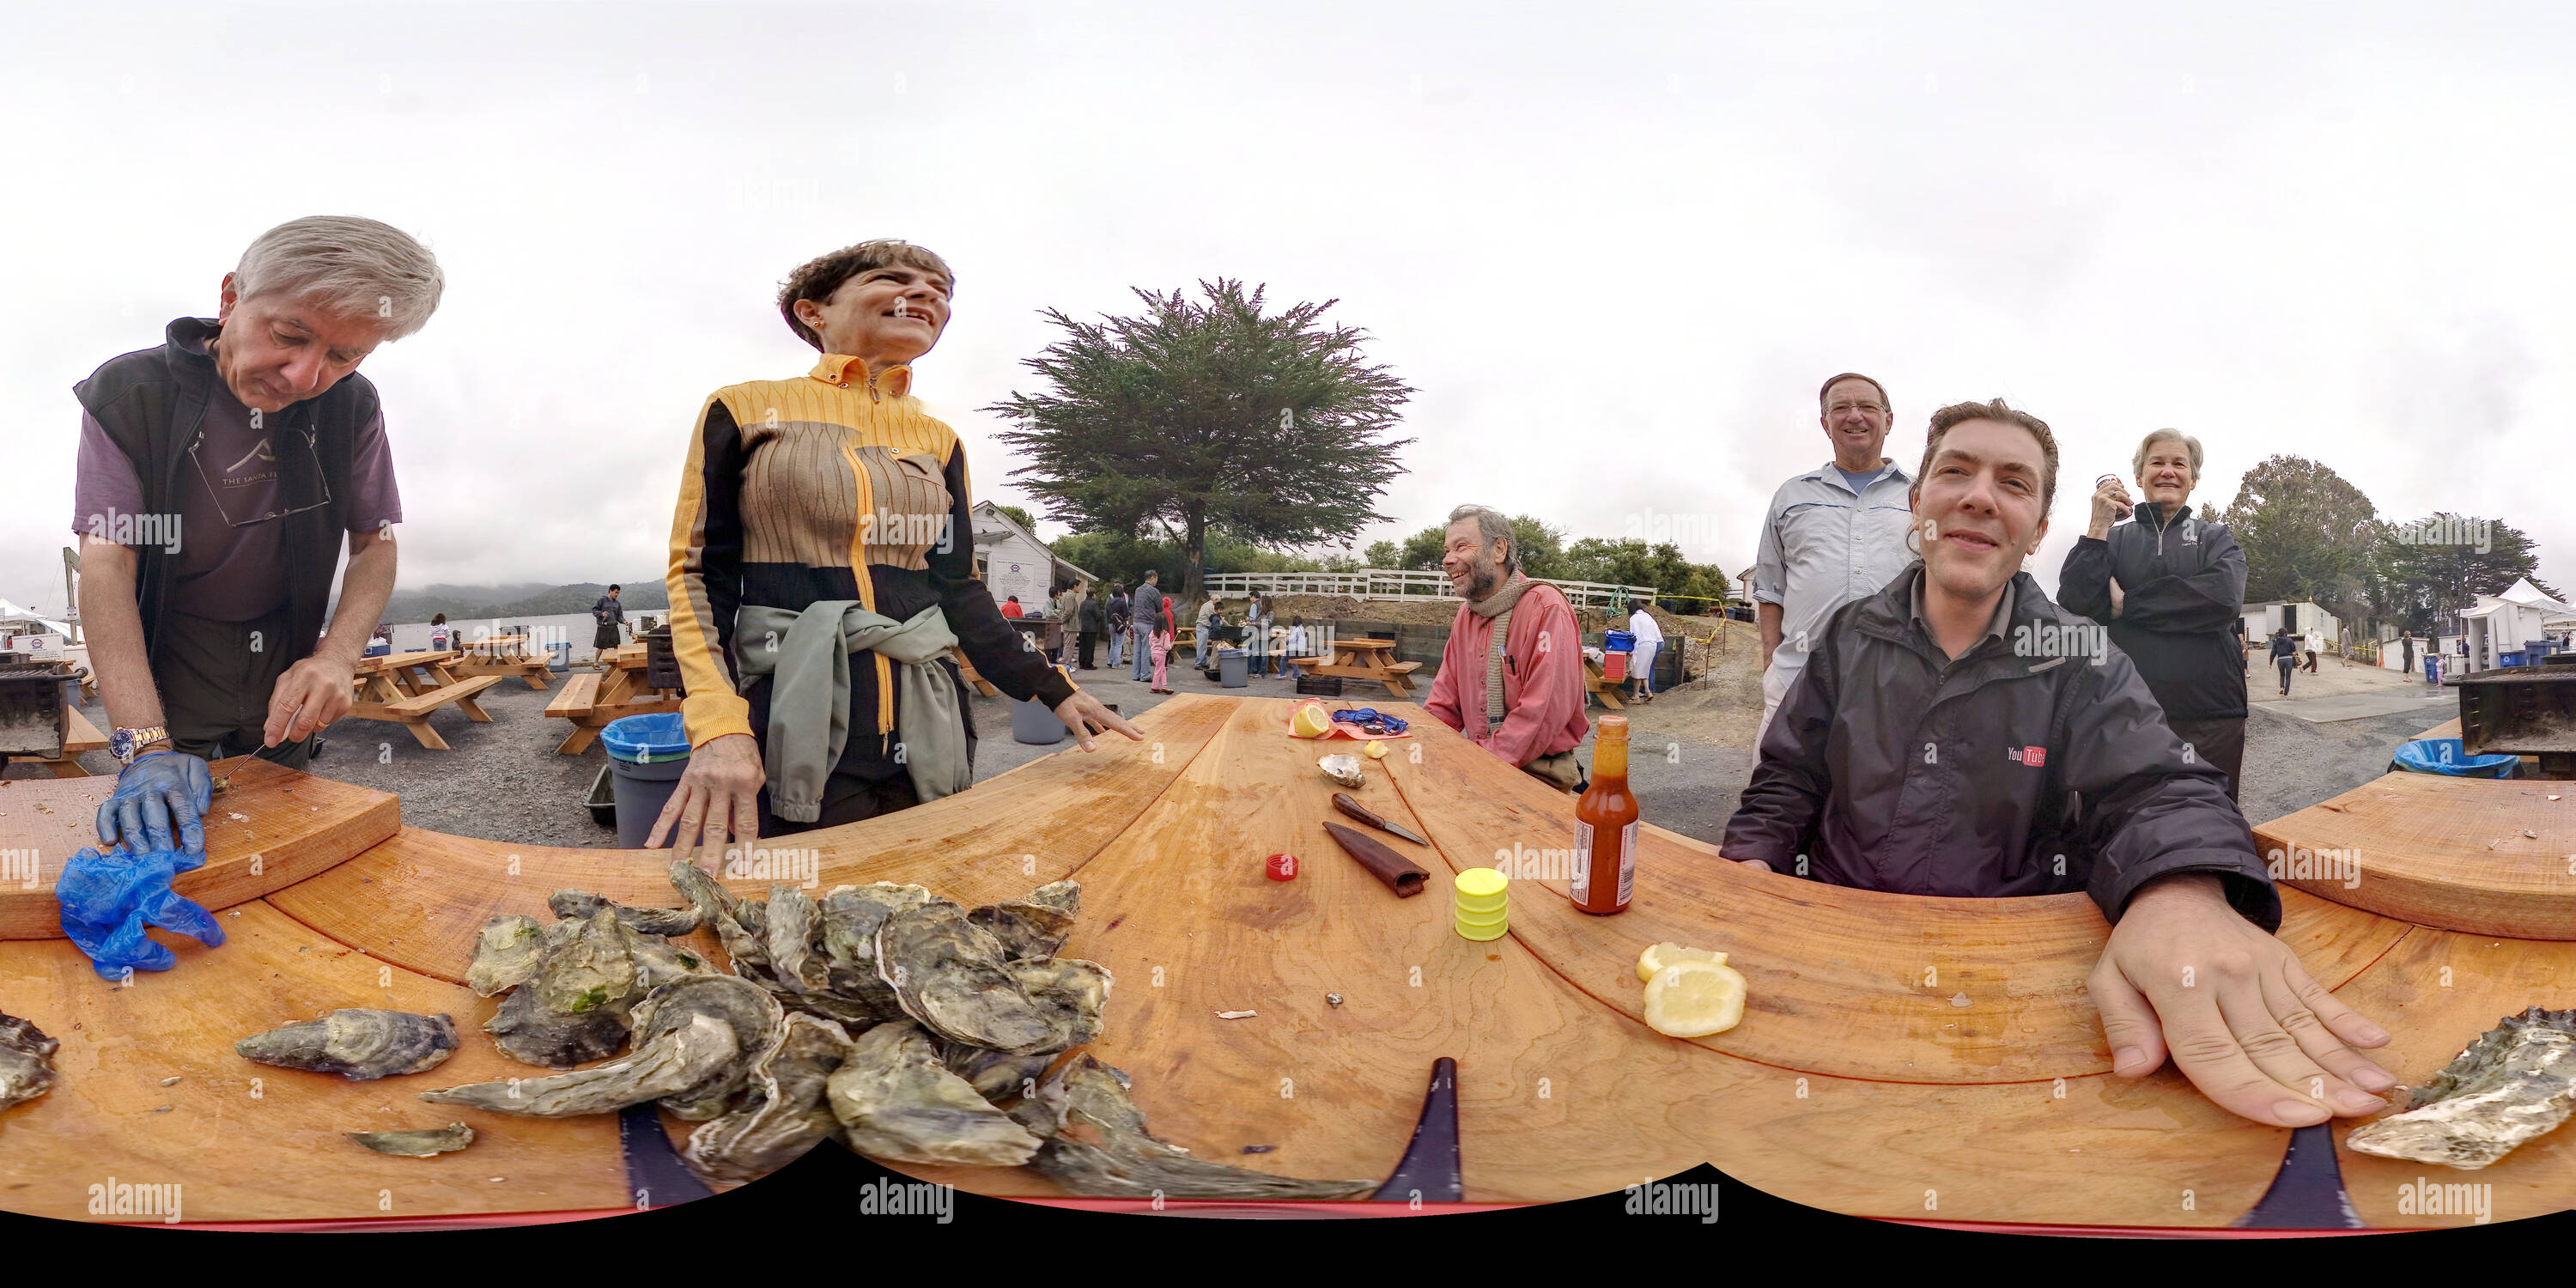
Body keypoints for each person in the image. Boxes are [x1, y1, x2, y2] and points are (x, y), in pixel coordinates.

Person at [1723, 397, 2398, 1131]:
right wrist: (1751, 866)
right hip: (1835, 956)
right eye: (1957, 472)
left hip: (2017, 984)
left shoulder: (2080, 654)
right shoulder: (1847, 636)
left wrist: (2180, 893)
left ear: (2039, 530)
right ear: (1917, 503)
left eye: (2014, 483)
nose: (1981, 496)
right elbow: (1787, 778)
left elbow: (2162, 783)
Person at [652, 239, 1139, 858]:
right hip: (792, 712)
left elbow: (958, 586)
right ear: (813, 311)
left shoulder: (938, 440)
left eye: (941, 292)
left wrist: (1054, 688)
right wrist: (719, 726)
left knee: (932, 881)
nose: (928, 297)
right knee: (803, 906)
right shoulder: (744, 408)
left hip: (927, 711)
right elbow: (697, 574)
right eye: (894, 278)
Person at [73, 216, 437, 861]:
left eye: (342, 355)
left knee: (280, 831)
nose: (302, 376)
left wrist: (337, 657)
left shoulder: (352, 405)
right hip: (168, 647)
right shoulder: (130, 394)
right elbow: (107, 565)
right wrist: (144, 743)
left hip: (285, 652)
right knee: (162, 833)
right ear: (230, 297)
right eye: (290, 335)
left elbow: (375, 543)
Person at [2057, 430, 2250, 801]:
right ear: (2139, 478)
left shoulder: (2215, 537)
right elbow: (2077, 608)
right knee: (2122, 824)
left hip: (2211, 716)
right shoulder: (2111, 541)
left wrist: (2126, 607)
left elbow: (2222, 599)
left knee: (2211, 822)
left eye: (2179, 464)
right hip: (2124, 712)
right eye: (2157, 462)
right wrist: (2098, 527)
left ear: (2193, 480)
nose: (2168, 471)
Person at [1751, 373, 1918, 750]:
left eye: (1867, 407)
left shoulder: (1921, 496)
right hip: (1796, 682)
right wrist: (1771, 666)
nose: (1853, 416)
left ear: (1888, 420)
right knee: (1776, 799)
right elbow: (1770, 588)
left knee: (1877, 803)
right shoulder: (1792, 495)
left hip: (1894, 688)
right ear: (1825, 423)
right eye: (1840, 408)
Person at [1423, 504, 1590, 790]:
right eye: (1446, 551)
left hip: (1539, 775)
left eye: (1460, 547)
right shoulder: (1466, 615)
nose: (1448, 560)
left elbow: (1543, 711)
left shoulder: (1546, 607)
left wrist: (1476, 764)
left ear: (1499, 550)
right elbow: (1443, 701)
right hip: (1480, 761)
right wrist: (1417, 742)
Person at [1129, 570, 1167, 683]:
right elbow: (1160, 608)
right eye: (1156, 578)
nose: (1156, 581)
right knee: (1146, 650)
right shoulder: (1154, 591)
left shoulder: (1138, 590)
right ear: (1152, 578)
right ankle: (1145, 675)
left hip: (1136, 622)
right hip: (1147, 623)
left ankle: (1135, 674)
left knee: (1137, 650)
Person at [1626, 601, 1664, 702]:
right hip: (1653, 645)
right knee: (1645, 670)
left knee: (1637, 672)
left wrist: (1633, 651)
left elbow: (1634, 635)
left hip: (1643, 645)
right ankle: (1648, 691)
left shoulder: (1634, 618)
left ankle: (1635, 696)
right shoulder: (1647, 616)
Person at [1149, 588, 1176, 694]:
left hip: (1153, 654)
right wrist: (1171, 645)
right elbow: (1167, 647)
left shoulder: (1153, 632)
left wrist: (1153, 647)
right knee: (1159, 670)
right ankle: (1154, 687)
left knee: (1162, 669)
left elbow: (1150, 642)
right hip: (1161, 655)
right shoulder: (1166, 634)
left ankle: (1164, 685)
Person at [592, 584, 627, 656]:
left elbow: (620, 616)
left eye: (618, 593)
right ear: (611, 591)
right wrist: (602, 614)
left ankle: (617, 663)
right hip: (603, 627)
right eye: (616, 592)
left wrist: (623, 621)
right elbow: (594, 610)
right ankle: (596, 663)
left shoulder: (617, 603)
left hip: (613, 627)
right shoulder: (602, 600)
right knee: (601, 647)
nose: (617, 594)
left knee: (616, 646)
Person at [1077, 584, 1104, 670]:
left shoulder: (1082, 603)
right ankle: (1088, 663)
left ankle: (1082, 662)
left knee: (1083, 646)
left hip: (1082, 627)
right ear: (1093, 594)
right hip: (1091, 628)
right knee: (1090, 647)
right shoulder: (1094, 604)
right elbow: (1098, 616)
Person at [2269, 629, 2298, 696]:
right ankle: (2286, 693)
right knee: (2288, 677)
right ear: (2285, 633)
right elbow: (2294, 649)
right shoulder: (2289, 640)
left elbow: (2273, 653)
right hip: (2288, 659)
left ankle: (2282, 687)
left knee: (2282, 674)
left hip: (2280, 660)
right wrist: (2295, 654)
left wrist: (2271, 662)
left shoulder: (2276, 642)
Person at [1106, 585, 1128, 668]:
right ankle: (1116, 664)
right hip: (1120, 625)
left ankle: (1110, 660)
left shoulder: (1109, 602)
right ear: (1121, 593)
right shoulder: (1122, 602)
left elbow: (1107, 613)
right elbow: (1126, 615)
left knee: (1113, 643)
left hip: (1111, 624)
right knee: (1119, 644)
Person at [1193, 593, 1217, 670]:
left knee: (1203, 646)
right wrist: (1227, 624)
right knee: (1202, 646)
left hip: (1204, 627)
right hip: (1202, 626)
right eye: (1218, 601)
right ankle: (1199, 663)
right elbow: (1217, 616)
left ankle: (1202, 662)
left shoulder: (1207, 605)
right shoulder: (1210, 606)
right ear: (1215, 600)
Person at [1284, 616, 1310, 680]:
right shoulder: (1302, 628)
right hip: (1300, 647)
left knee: (1286, 659)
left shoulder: (1297, 629)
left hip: (1294, 647)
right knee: (1292, 660)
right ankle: (1295, 675)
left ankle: (1289, 674)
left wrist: (1285, 639)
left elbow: (1292, 639)